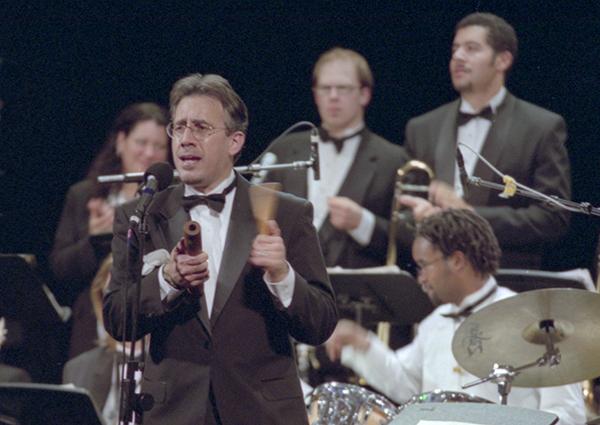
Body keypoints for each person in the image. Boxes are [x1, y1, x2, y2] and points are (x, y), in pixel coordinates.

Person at [103, 73, 338, 425]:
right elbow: (118, 319)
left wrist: (282, 275)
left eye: (200, 127)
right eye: (178, 128)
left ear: (234, 141)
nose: (185, 139)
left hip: (262, 412)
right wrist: (167, 280)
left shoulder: (287, 212)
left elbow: (321, 323)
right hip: (174, 412)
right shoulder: (142, 216)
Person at [326, 209, 585, 424]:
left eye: (424, 265)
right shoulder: (435, 321)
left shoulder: (531, 321)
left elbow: (567, 413)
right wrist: (362, 342)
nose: (421, 278)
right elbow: (408, 387)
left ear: (458, 261)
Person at [401, 12, 571, 269]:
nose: (458, 56)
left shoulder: (541, 127)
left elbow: (553, 217)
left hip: (505, 281)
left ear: (502, 60)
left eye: (471, 48)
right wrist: (421, 216)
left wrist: (469, 216)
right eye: (455, 49)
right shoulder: (422, 127)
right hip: (435, 280)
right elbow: (403, 215)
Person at [263, 47, 409, 268]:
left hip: (354, 292)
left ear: (364, 94)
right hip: (285, 283)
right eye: (325, 88)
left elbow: (409, 243)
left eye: (343, 88)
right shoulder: (283, 148)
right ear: (315, 94)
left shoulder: (393, 159)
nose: (333, 96)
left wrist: (363, 223)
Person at [50, 102, 169, 358]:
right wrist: (93, 241)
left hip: (153, 328)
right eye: (141, 142)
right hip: (93, 333)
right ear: (120, 141)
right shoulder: (85, 196)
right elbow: (59, 269)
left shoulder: (172, 202)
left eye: (159, 146)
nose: (149, 153)